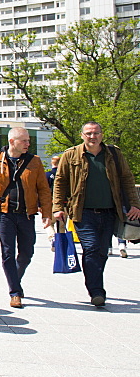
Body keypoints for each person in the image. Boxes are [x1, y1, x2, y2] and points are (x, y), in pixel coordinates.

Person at [53, 122, 140, 306]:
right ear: (82, 135)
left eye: (96, 133)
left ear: (102, 134)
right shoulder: (71, 155)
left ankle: (94, 284)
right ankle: (96, 291)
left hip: (110, 212)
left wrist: (134, 204)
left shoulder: (113, 154)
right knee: (91, 248)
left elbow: (127, 178)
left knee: (102, 251)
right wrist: (57, 207)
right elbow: (60, 182)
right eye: (89, 133)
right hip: (82, 212)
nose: (93, 137)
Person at [0, 128, 52, 309]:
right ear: (12, 142)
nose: (28, 144)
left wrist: (47, 214)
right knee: (7, 253)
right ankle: (15, 292)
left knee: (27, 253)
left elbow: (43, 189)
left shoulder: (34, 162)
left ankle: (15, 280)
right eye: (24, 141)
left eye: (28, 141)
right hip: (4, 214)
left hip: (27, 215)